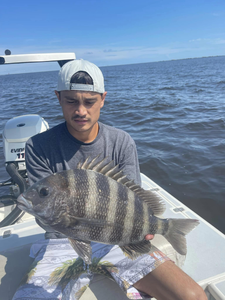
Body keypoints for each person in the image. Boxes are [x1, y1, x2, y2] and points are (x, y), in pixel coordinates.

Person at [13, 59, 207, 300]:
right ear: (58, 98)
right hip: (61, 241)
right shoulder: (38, 146)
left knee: (193, 296)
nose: (80, 110)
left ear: (103, 99)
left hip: (117, 241)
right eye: (71, 100)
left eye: (89, 101)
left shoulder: (122, 142)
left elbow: (134, 201)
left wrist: (142, 232)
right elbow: (48, 215)